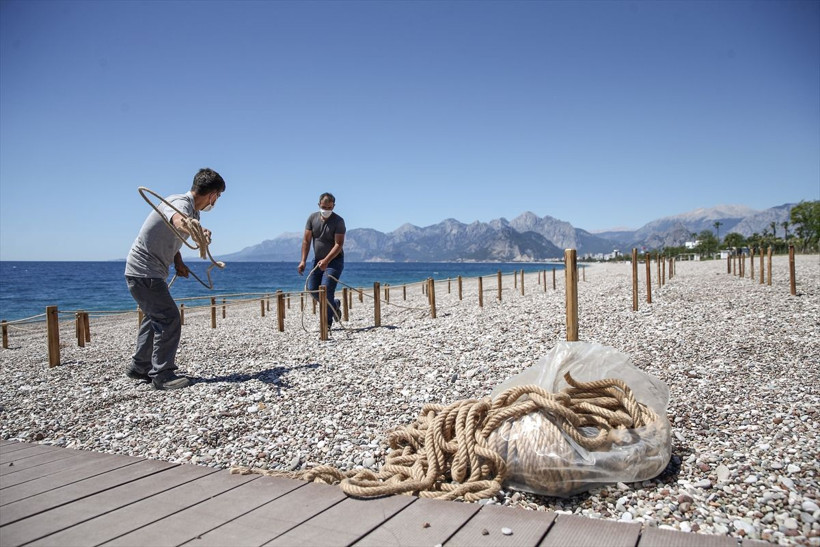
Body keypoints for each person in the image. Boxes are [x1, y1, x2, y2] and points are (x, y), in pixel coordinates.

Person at [124, 168, 226, 390]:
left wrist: (178, 262)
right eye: (218, 196)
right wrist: (189, 226)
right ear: (212, 194)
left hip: (145, 272)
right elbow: (177, 220)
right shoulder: (179, 203)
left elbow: (173, 235)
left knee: (154, 318)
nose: (216, 201)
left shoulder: (194, 213)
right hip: (144, 272)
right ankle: (162, 374)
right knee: (169, 319)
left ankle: (139, 366)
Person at [298, 192, 346, 330]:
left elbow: (339, 244)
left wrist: (326, 260)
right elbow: (306, 241)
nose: (326, 210)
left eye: (329, 208)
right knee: (313, 289)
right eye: (324, 207)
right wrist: (303, 261)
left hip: (334, 261)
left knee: (326, 290)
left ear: (334, 206)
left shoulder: (338, 221)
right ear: (319, 205)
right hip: (317, 261)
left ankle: (327, 324)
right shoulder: (312, 218)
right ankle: (334, 305)